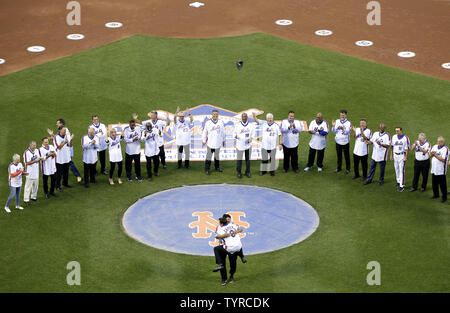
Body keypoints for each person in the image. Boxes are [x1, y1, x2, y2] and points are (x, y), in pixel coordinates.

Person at [48, 119, 82, 183]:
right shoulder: (61, 132)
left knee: (69, 164)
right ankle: (64, 179)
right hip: (64, 151)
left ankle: (78, 176)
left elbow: (67, 140)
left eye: (57, 123)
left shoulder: (66, 131)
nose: (56, 124)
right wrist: (52, 136)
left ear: (61, 124)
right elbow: (59, 138)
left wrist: (67, 141)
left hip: (67, 150)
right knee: (66, 165)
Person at [212, 217, 244, 286]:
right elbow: (241, 229)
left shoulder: (221, 229)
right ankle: (224, 278)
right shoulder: (233, 225)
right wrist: (235, 232)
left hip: (228, 247)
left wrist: (224, 235)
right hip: (234, 247)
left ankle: (230, 275)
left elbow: (217, 237)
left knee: (216, 250)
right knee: (226, 262)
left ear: (221, 223)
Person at [202, 110, 225, 175]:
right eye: (214, 114)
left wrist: (223, 140)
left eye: (216, 114)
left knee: (217, 156)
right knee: (209, 157)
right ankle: (207, 169)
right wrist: (204, 140)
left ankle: (217, 167)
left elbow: (223, 132)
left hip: (218, 143)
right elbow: (204, 132)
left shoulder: (220, 122)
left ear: (218, 115)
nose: (215, 115)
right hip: (210, 143)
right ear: (212, 115)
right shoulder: (208, 123)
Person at [234, 113, 255, 178]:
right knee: (239, 160)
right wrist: (237, 137)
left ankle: (247, 172)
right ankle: (239, 172)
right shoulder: (237, 125)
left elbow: (253, 134)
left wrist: (251, 139)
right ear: (241, 117)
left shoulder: (251, 125)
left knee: (248, 160)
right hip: (240, 145)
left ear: (247, 117)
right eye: (243, 117)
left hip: (248, 146)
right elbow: (233, 134)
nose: (244, 118)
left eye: (245, 117)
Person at [390, 127, 410, 192]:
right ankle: (398, 181)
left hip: (402, 155)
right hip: (395, 155)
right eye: (396, 131)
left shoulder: (405, 138)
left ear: (401, 131)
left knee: (401, 170)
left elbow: (407, 149)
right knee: (396, 169)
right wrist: (391, 155)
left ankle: (402, 185)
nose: (396, 132)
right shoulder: (394, 137)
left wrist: (405, 157)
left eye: (398, 131)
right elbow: (392, 146)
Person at [332, 110, 352, 174]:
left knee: (347, 156)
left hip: (345, 142)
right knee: (339, 156)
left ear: (346, 115)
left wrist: (343, 129)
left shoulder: (349, 123)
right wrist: (333, 126)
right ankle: (339, 168)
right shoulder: (337, 121)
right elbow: (333, 131)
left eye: (343, 115)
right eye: (341, 115)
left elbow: (348, 132)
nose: (342, 116)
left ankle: (348, 169)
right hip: (338, 142)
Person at [53, 127, 73, 191]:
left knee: (66, 172)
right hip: (59, 158)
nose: (65, 132)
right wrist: (65, 141)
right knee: (59, 173)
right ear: (59, 130)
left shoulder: (66, 136)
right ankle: (57, 186)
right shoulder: (56, 137)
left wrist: (71, 139)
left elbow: (70, 145)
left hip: (66, 157)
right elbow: (58, 147)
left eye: (65, 130)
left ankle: (65, 183)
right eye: (64, 130)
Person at [23, 141, 42, 205]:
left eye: (35, 145)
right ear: (30, 145)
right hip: (29, 172)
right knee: (28, 186)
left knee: (35, 185)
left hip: (36, 171)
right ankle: (26, 199)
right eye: (33, 145)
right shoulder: (26, 152)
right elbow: (27, 162)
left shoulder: (36, 150)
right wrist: (35, 161)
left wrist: (40, 158)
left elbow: (39, 157)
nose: (35, 147)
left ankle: (33, 197)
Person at [429, 136, 448, 203]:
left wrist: (435, 155)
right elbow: (429, 156)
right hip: (434, 169)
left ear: (443, 142)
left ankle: (444, 197)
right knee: (434, 183)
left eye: (439, 142)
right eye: (437, 141)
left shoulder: (445, 149)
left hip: (441, 170)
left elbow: (443, 160)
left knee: (442, 185)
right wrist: (431, 154)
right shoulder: (434, 146)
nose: (438, 143)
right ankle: (436, 194)